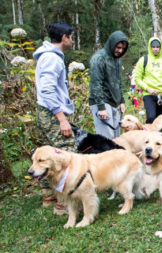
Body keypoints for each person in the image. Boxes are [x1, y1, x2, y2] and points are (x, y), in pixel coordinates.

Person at [33, 21, 75, 214]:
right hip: (51, 113)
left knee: (45, 156)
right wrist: (61, 118)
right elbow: (47, 89)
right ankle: (64, 203)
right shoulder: (52, 59)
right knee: (65, 153)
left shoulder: (47, 56)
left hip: (44, 111)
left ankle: (49, 197)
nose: (72, 40)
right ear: (64, 37)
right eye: (71, 36)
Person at [89, 31, 128, 139]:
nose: (120, 51)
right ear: (112, 44)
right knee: (106, 140)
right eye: (118, 47)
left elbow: (118, 81)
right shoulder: (99, 58)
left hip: (114, 103)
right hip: (101, 102)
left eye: (122, 49)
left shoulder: (117, 60)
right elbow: (96, 83)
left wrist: (122, 101)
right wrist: (101, 107)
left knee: (116, 140)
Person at [134, 37, 162, 124]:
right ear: (150, 47)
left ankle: (159, 137)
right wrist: (148, 88)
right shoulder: (143, 60)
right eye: (153, 47)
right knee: (151, 117)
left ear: (160, 48)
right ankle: (148, 135)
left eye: (157, 47)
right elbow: (137, 78)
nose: (155, 49)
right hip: (148, 94)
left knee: (161, 121)